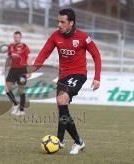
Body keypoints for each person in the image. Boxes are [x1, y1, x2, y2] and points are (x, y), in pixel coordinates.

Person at [28, 8, 102, 155]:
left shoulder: (83, 37)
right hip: (63, 76)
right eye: (58, 21)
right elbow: (45, 52)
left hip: (79, 74)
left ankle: (59, 140)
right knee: (63, 108)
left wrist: (97, 77)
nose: (59, 24)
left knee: (62, 100)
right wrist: (33, 68)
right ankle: (78, 142)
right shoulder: (55, 36)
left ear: (71, 23)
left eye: (62, 22)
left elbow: (96, 56)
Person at [5, 31, 31, 116]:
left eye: (17, 37)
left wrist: (29, 71)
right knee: (7, 88)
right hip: (13, 70)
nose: (16, 38)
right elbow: (9, 58)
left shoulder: (25, 47)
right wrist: (5, 68)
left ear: (21, 37)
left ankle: (22, 109)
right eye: (15, 37)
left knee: (21, 89)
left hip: (22, 70)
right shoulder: (11, 46)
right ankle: (15, 104)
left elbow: (29, 59)